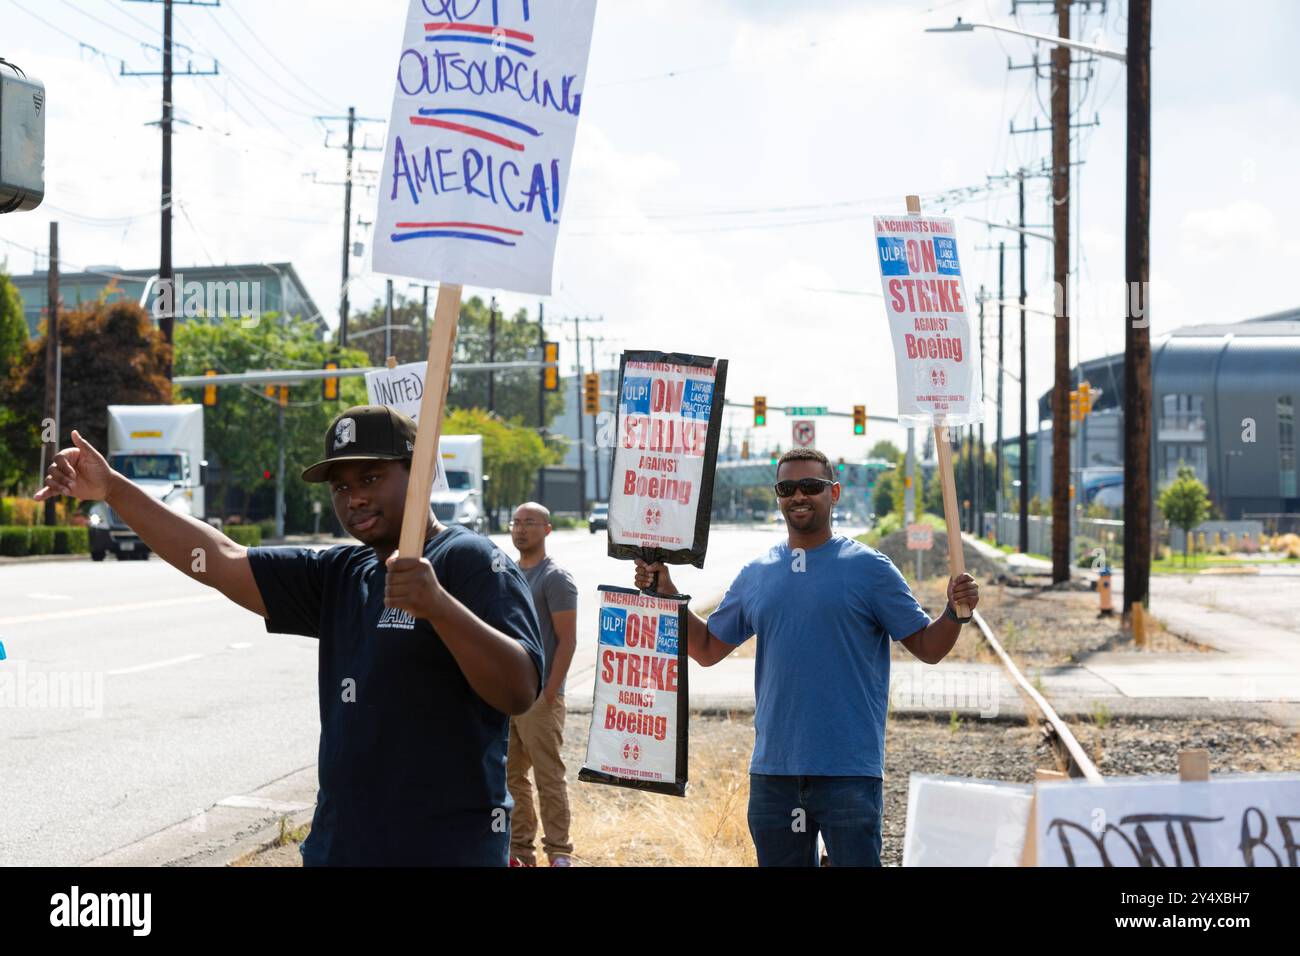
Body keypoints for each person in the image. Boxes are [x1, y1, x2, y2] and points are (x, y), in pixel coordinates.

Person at [36, 406, 545, 866]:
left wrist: (438, 607)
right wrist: (114, 490)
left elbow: (518, 689)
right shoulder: (345, 572)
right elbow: (220, 560)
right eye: (341, 486)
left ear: (420, 475)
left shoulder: (470, 560)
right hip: (340, 850)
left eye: (371, 476)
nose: (356, 497)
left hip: (444, 853)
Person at [634, 447, 979, 867]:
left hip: (849, 772)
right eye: (787, 487)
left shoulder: (870, 569)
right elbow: (706, 650)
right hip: (774, 774)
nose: (799, 496)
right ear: (777, 496)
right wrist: (669, 595)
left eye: (811, 486)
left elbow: (929, 647)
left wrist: (953, 613)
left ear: (833, 492)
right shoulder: (757, 574)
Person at [506, 502, 579, 867]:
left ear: (547, 530)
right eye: (516, 523)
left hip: (541, 698)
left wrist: (550, 692)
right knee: (511, 777)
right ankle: (520, 850)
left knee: (549, 777)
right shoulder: (508, 573)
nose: (520, 529)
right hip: (508, 695)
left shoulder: (555, 577)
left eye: (530, 523)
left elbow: (567, 640)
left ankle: (559, 852)